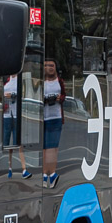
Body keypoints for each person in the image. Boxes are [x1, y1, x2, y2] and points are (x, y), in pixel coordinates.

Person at [40, 58, 64, 187]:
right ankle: (45, 174)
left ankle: (52, 173)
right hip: (43, 118)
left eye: (51, 65)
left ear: (55, 68)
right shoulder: (40, 82)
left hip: (56, 117)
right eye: (46, 65)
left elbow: (64, 95)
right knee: (45, 148)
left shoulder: (59, 81)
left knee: (53, 148)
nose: (49, 67)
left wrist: (60, 98)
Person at [2, 74, 28, 179]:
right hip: (7, 114)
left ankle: (24, 169)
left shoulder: (20, 80)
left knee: (18, 141)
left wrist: (13, 95)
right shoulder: (6, 80)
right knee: (7, 143)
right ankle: (9, 168)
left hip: (16, 114)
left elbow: (23, 94)